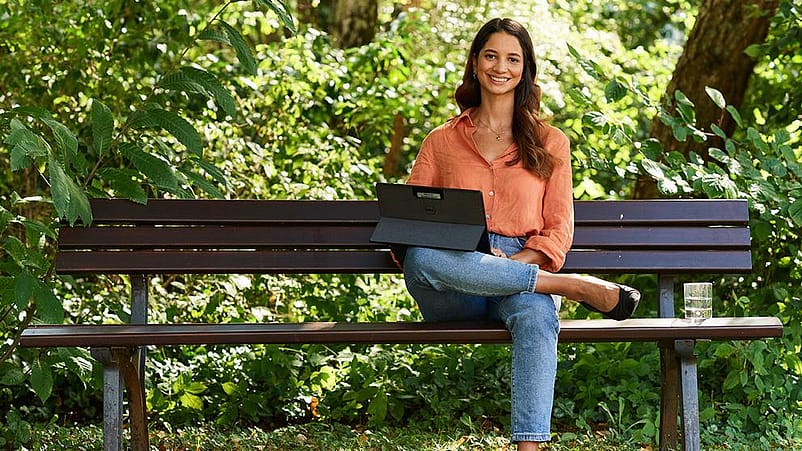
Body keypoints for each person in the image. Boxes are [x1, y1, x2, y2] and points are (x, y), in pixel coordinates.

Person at [400, 18, 641, 450]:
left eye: (512, 59)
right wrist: (483, 266)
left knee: (534, 315)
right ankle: (570, 287)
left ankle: (528, 447)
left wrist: (509, 268)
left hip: (521, 265)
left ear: (525, 69)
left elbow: (556, 230)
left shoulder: (551, 142)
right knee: (420, 257)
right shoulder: (441, 141)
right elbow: (412, 223)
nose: (500, 67)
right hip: (456, 279)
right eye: (491, 56)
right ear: (475, 63)